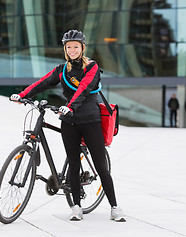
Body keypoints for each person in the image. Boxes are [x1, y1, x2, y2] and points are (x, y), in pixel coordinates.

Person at [10, 30, 125, 222]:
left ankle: (114, 206)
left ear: (82, 48)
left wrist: (69, 106)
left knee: (101, 166)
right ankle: (76, 208)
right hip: (69, 122)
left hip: (90, 120)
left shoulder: (93, 67)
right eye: (69, 47)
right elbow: (43, 83)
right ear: (65, 49)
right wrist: (23, 95)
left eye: (76, 47)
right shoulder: (62, 70)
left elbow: (84, 88)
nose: (72, 50)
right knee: (73, 163)